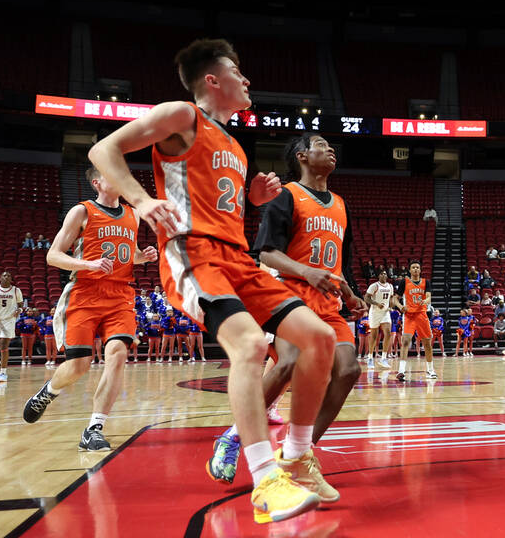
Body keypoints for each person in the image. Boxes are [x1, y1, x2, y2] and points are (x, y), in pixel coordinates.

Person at [82, 38, 341, 523]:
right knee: (247, 345)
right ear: (212, 80)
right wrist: (139, 201)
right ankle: (265, 481)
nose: (247, 80)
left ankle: (297, 458)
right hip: (191, 254)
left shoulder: (234, 144)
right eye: (238, 71)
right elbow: (104, 149)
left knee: (320, 339)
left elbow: (210, 198)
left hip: (236, 258)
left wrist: (251, 200)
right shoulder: (183, 114)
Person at [209, 133, 366, 490]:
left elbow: (343, 262)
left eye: (331, 146)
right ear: (302, 156)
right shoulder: (287, 196)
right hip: (291, 296)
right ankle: (233, 437)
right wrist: (307, 271)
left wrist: (351, 293)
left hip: (328, 305)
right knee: (290, 362)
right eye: (321, 145)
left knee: (348, 370)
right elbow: (265, 253)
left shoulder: (341, 204)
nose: (330, 150)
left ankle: (299, 453)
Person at [23, 166, 159, 449]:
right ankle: (48, 392)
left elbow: (125, 254)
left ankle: (94, 428)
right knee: (78, 366)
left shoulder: (133, 214)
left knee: (118, 354)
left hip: (120, 294)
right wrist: (88, 264)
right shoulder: (81, 212)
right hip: (84, 293)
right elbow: (53, 256)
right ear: (97, 183)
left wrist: (142, 258)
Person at [396, 261, 437, 381]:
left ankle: (430, 370)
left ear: (420, 270)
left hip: (422, 315)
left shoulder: (426, 282)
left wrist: (426, 300)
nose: (415, 269)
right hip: (409, 316)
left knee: (427, 344)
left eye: (417, 267)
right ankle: (401, 371)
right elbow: (395, 299)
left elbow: (429, 296)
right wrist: (400, 306)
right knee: (405, 341)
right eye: (413, 267)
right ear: (409, 270)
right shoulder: (405, 282)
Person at [0, 271, 24, 383]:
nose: (6, 277)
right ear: (0, 278)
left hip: (9, 320)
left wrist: (19, 310)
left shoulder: (16, 290)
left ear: (11, 279)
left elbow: (21, 305)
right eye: (4, 275)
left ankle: (3, 373)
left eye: (9, 276)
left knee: (3, 345)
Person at [364, 269, 398, 368]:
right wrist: (376, 304)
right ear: (378, 276)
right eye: (382, 273)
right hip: (375, 312)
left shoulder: (390, 286)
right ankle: (370, 357)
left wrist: (391, 306)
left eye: (385, 273)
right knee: (374, 336)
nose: (384, 275)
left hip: (385, 312)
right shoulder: (374, 285)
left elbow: (391, 298)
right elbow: (366, 298)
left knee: (388, 334)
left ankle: (383, 358)